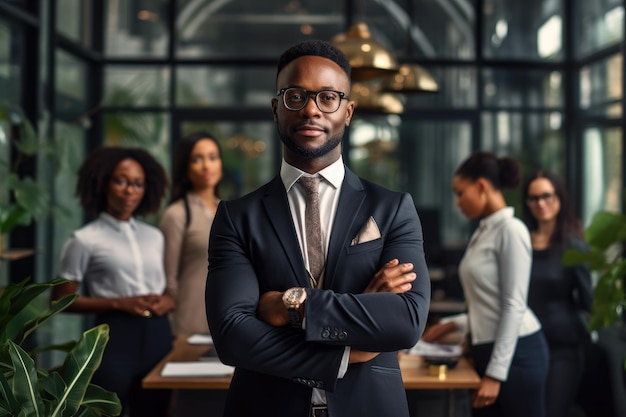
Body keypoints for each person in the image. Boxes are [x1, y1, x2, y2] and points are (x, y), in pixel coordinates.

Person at [205, 39, 431, 417]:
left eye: (328, 97)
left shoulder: (392, 209)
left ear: (348, 111)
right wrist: (345, 351)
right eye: (296, 96)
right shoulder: (236, 216)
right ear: (276, 108)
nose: (311, 109)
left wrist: (289, 305)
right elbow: (232, 336)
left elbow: (406, 321)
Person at [422, 152, 549, 417]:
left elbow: (513, 305)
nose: (457, 203)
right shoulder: (483, 231)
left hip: (517, 356)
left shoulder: (511, 230)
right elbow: (486, 303)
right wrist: (455, 324)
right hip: (488, 351)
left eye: (460, 193)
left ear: (481, 186)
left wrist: (495, 374)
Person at [51, 146, 174, 417]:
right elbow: (60, 300)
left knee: (156, 412)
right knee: (107, 412)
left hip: (158, 335)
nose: (130, 190)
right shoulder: (84, 239)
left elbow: (163, 286)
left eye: (138, 184)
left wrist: (167, 300)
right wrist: (119, 303)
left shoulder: (154, 236)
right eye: (121, 181)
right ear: (104, 182)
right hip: (114, 338)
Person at [522, 170, 593, 417]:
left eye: (547, 196)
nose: (541, 203)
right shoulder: (520, 241)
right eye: (534, 198)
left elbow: (589, 301)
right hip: (524, 346)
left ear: (559, 198)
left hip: (562, 349)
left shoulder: (574, 246)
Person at [159, 131, 223, 336]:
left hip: (229, 326)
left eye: (213, 158)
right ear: (185, 167)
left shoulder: (230, 211)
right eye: (197, 159)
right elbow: (168, 281)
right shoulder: (176, 214)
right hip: (189, 326)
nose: (206, 166)